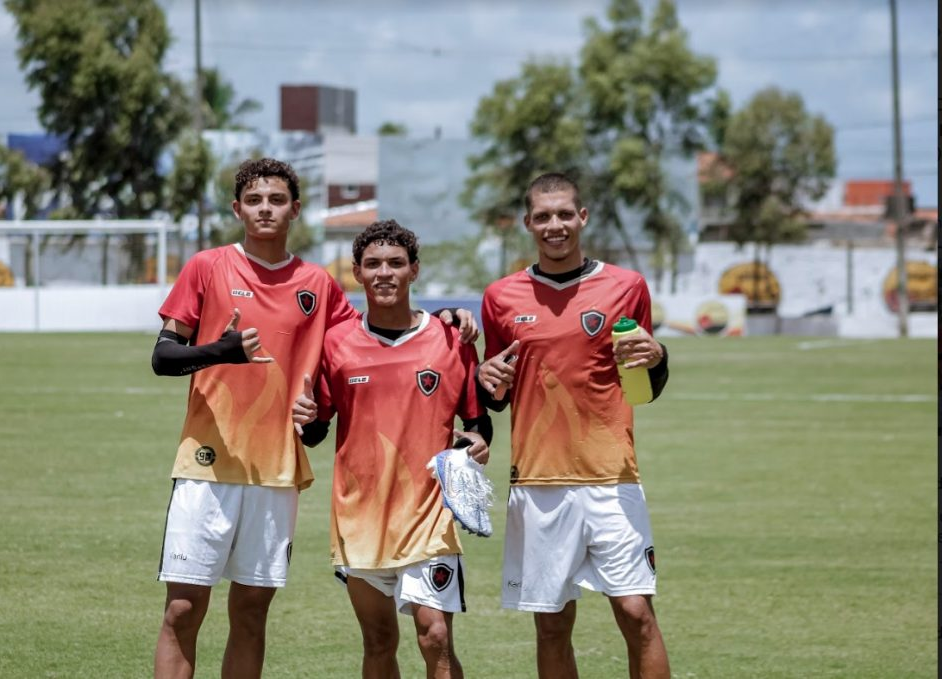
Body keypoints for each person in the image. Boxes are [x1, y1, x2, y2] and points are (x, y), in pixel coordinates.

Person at [149, 158, 477, 678]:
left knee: (252, 612)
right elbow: (163, 358)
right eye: (254, 201)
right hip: (206, 465)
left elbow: (382, 328)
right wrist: (221, 351)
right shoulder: (206, 266)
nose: (265, 209)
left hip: (278, 472)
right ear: (237, 209)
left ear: (295, 210)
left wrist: (443, 317)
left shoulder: (318, 285)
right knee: (183, 610)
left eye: (276, 200)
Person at [477, 172, 671, 679]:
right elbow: (494, 393)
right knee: (552, 626)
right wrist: (485, 379)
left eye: (565, 213)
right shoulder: (501, 296)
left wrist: (658, 356)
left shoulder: (627, 287)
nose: (555, 225)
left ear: (582, 217)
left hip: (613, 476)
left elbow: (645, 384)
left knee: (637, 615)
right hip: (540, 483)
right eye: (543, 216)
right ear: (528, 224)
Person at [292, 219, 491, 679]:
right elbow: (318, 429)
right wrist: (304, 423)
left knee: (435, 636)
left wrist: (478, 442)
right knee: (379, 642)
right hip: (358, 518)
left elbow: (478, 424)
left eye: (396, 263)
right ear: (358, 274)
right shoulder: (337, 344)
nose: (385, 273)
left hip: (429, 517)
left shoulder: (450, 340)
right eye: (373, 264)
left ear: (414, 271)